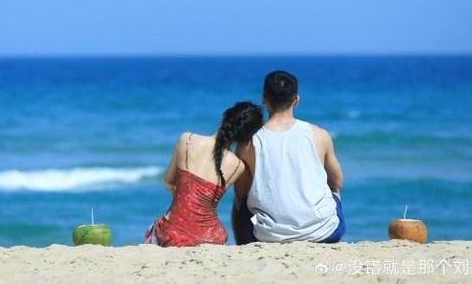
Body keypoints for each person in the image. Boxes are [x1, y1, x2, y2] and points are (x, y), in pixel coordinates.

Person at [232, 70, 346, 244]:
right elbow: (337, 182)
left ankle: (243, 245)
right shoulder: (319, 135)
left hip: (269, 235)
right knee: (334, 191)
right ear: (296, 100)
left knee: (240, 201)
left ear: (264, 98)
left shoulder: (248, 142)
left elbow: (241, 193)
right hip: (324, 233)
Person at [144, 102, 263, 247]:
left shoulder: (186, 140)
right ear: (245, 138)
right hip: (208, 237)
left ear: (224, 116)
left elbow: (168, 181)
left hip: (172, 232)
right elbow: (240, 201)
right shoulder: (238, 166)